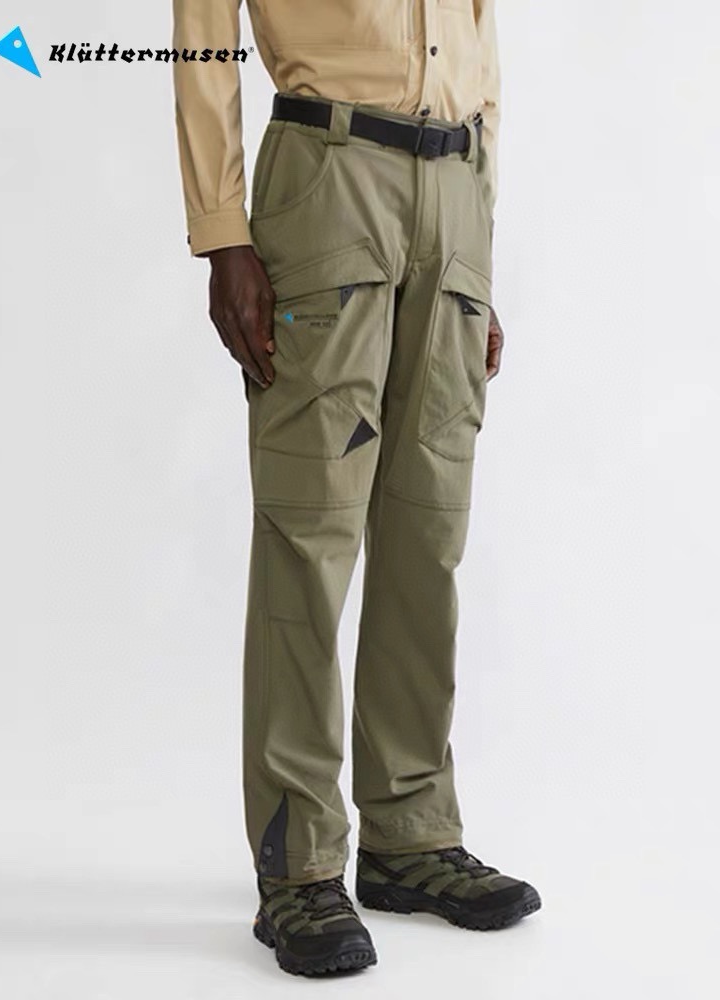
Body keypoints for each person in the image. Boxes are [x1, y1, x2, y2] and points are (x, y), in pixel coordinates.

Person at [172, 0, 542, 977]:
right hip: (329, 174)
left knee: (429, 531)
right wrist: (223, 234)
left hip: (454, 188)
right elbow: (203, 32)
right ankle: (297, 864)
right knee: (311, 530)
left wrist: (477, 237)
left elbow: (479, 41)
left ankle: (410, 834)